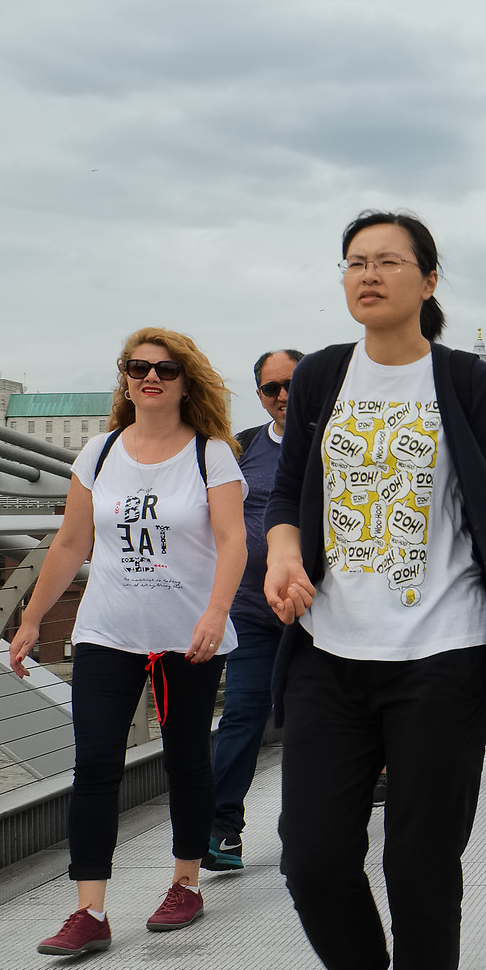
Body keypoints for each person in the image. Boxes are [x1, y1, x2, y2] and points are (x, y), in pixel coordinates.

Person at [263, 210, 486, 970]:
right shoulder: (319, 377)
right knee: (310, 856)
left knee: (422, 862)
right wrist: (281, 548)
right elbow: (286, 486)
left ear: (428, 281)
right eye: (355, 262)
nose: (368, 274)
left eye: (389, 261)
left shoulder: (464, 380)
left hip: (441, 651)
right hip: (330, 652)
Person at [12, 329, 246, 958]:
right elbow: (70, 543)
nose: (151, 377)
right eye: (138, 368)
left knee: (186, 760)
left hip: (186, 637)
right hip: (108, 632)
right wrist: (32, 618)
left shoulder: (211, 455)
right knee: (94, 766)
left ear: (185, 381)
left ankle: (185, 884)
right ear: (125, 379)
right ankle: (89, 911)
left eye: (166, 369)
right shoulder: (98, 452)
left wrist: (215, 614)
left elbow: (233, 542)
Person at [202, 347, 302, 872]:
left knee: (313, 720)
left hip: (318, 610)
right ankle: (222, 829)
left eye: (292, 384)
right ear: (259, 394)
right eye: (271, 388)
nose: (283, 396)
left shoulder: (334, 443)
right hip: (251, 607)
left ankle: (306, 826)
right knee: (243, 712)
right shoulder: (240, 449)